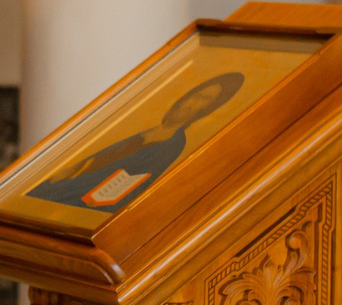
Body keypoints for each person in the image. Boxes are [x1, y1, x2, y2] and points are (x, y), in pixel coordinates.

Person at [27, 71, 243, 211]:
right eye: (195, 94)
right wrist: (72, 169)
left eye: (202, 100)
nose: (191, 100)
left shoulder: (172, 145)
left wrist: (89, 197)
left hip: (90, 198)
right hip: (73, 180)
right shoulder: (149, 126)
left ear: (206, 110)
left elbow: (133, 183)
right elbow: (102, 154)